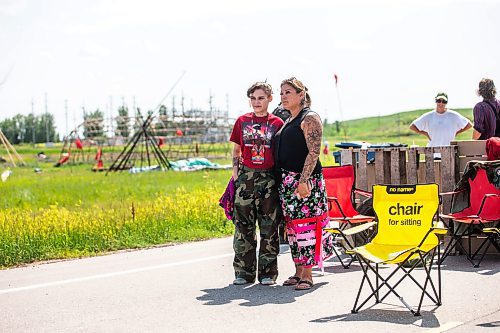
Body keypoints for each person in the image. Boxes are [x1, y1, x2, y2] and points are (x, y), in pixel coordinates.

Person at [275, 77, 335, 291]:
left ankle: (308, 275)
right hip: (287, 181)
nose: (283, 96)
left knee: (307, 226)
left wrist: (303, 180)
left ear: (301, 95)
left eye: (288, 92)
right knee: (292, 228)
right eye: (281, 92)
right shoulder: (289, 119)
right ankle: (299, 270)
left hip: (305, 181)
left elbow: (314, 151)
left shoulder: (309, 117)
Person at [230, 82, 284, 286]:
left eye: (261, 98)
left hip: (269, 178)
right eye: (253, 98)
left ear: (270, 98)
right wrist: (237, 177)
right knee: (243, 227)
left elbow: (280, 154)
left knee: (269, 227)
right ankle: (243, 273)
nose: (256, 102)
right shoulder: (242, 121)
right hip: (246, 179)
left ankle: (268, 273)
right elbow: (236, 151)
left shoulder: (277, 123)